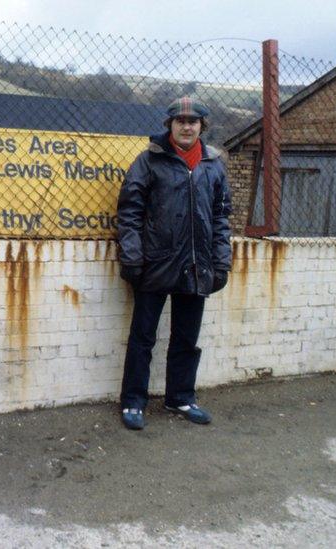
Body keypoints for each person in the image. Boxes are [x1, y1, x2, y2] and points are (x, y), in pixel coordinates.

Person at [115, 97, 232, 430]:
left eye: (193, 122)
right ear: (170, 125)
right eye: (180, 121)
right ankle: (133, 402)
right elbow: (129, 212)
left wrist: (221, 263)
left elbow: (221, 218)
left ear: (202, 127)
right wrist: (133, 257)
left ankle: (180, 397)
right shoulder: (149, 160)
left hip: (198, 266)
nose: (186, 126)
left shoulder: (213, 165)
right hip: (155, 263)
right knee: (143, 337)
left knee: (186, 337)